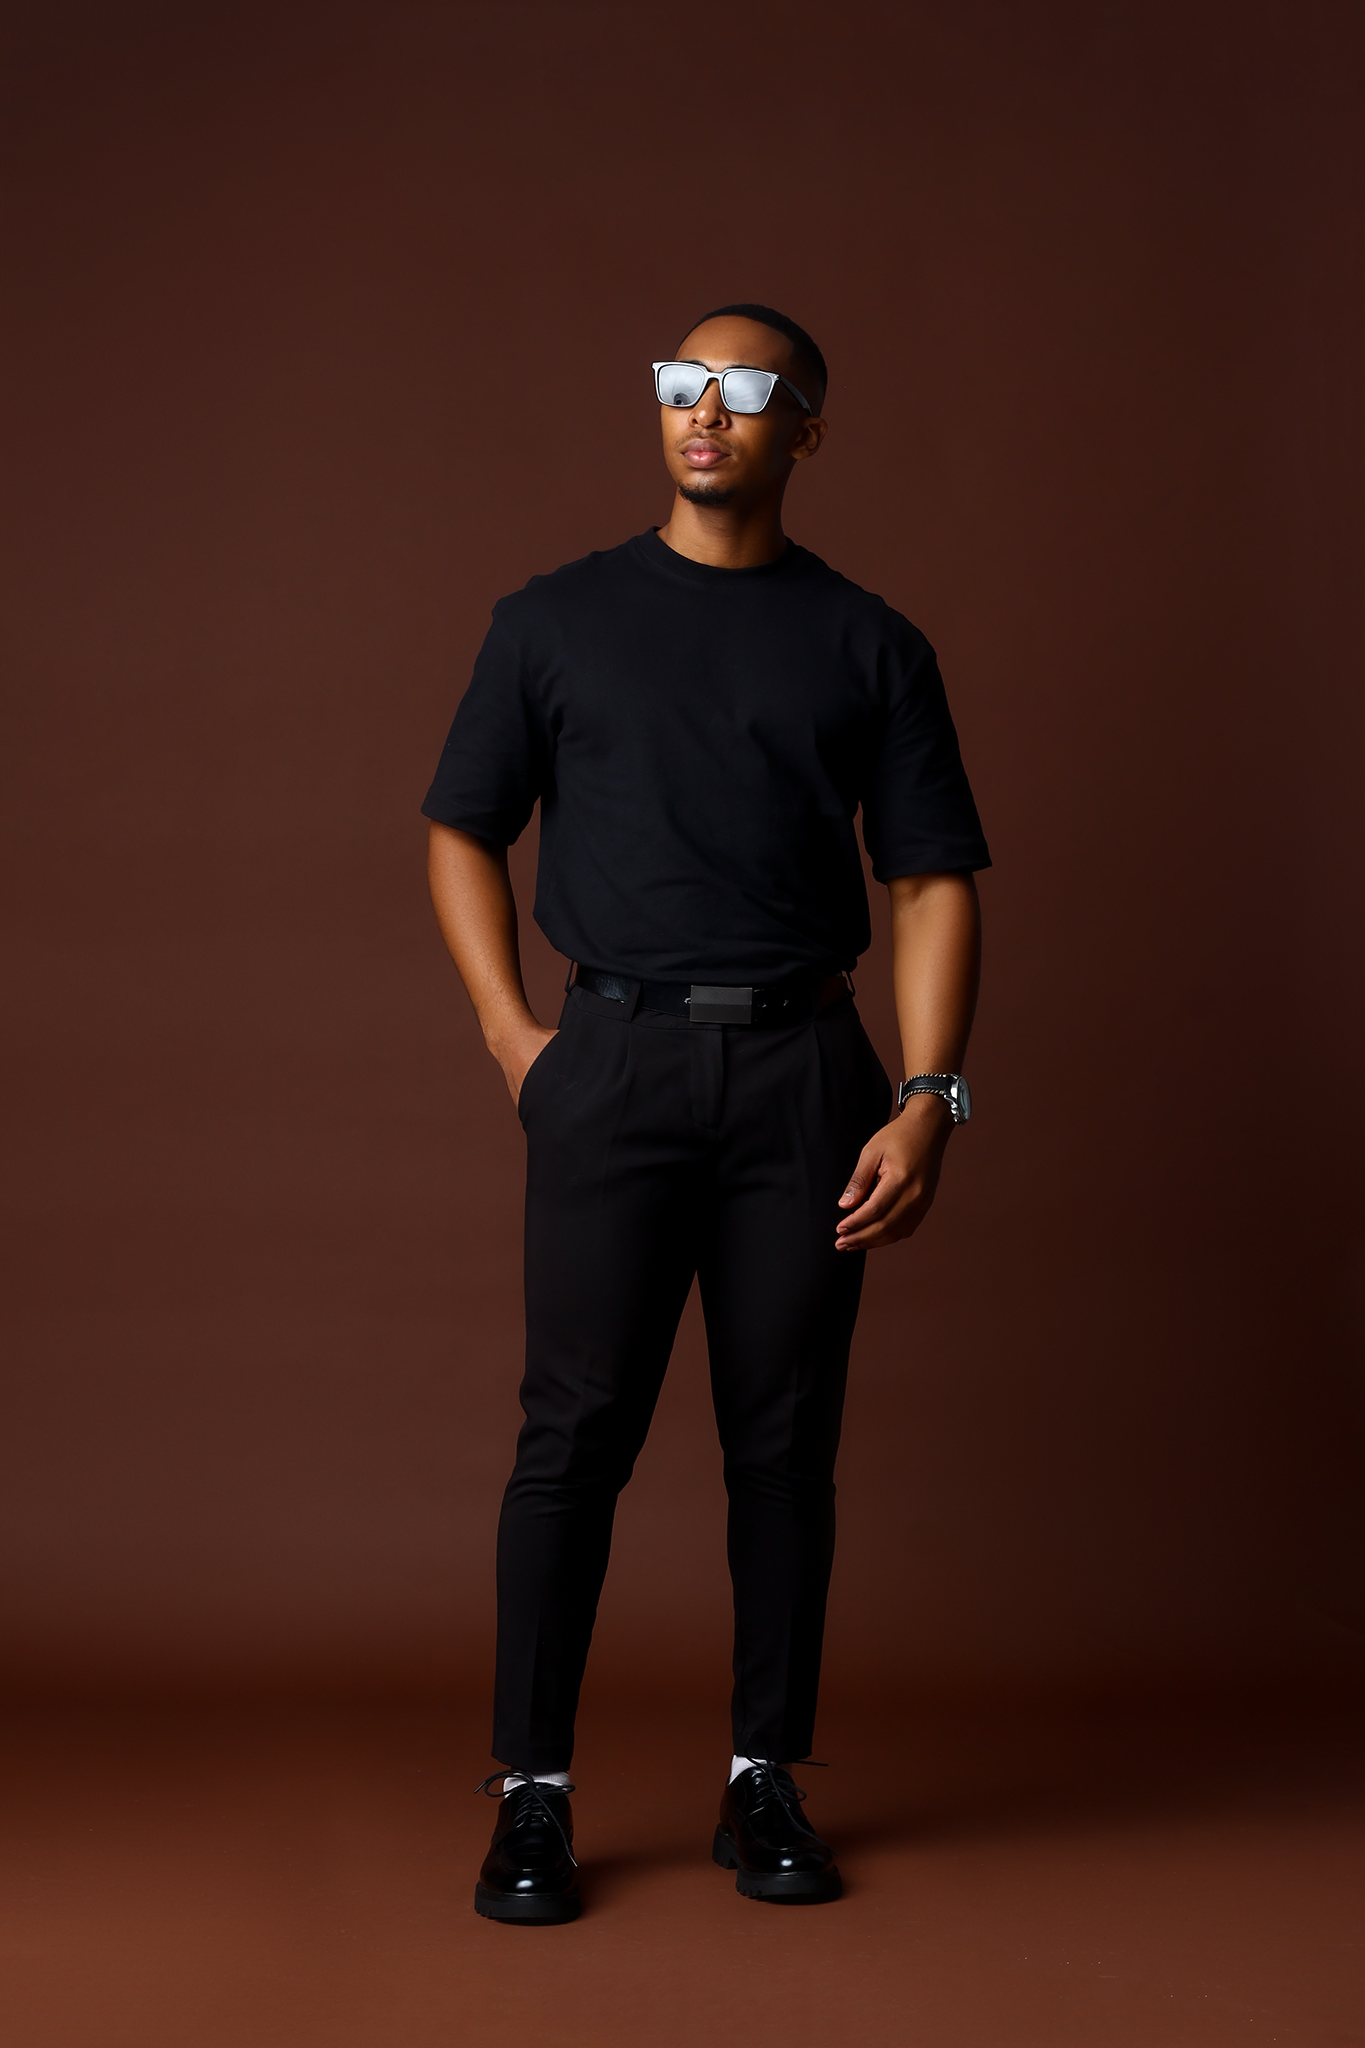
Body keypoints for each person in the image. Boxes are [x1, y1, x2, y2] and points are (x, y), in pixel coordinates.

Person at [422, 304, 989, 1923]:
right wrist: (515, 1039)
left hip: (807, 1074)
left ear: (805, 428)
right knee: (571, 1437)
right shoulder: (552, 622)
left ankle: (763, 1780)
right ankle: (534, 1795)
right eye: (683, 385)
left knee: (785, 1445)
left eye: (746, 391)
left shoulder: (872, 645)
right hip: (609, 1067)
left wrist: (930, 1096)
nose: (706, 411)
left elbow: (930, 879)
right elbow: (461, 829)